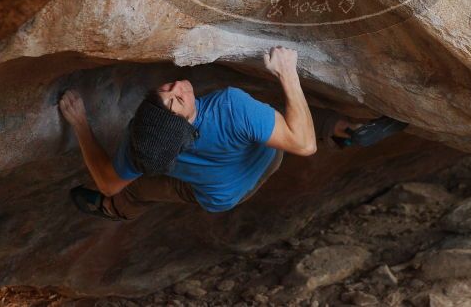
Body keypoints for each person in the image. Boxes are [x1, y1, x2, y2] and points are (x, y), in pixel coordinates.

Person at [59, 46, 403, 220]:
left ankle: (112, 209)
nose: (180, 85)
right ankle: (343, 129)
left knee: (135, 188)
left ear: (146, 107)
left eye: (167, 90)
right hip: (265, 161)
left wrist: (81, 126)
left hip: (223, 194)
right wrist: (287, 72)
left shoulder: (141, 143)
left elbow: (108, 182)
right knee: (277, 105)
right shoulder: (229, 107)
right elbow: (303, 144)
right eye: (179, 101)